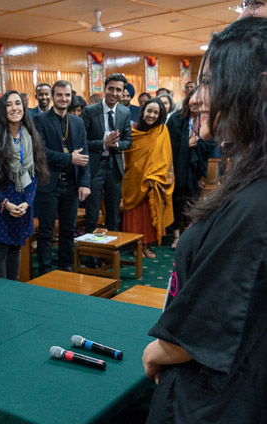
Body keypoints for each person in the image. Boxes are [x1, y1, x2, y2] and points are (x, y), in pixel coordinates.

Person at [143, 17, 267, 423]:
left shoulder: (257, 202)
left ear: (256, 88)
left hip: (217, 399)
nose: (194, 98)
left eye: (209, 82)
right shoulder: (249, 175)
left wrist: (159, 350)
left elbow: (219, 317)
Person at [0, 91, 48, 281]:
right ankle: (0, 295)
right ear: (2, 110)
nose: (14, 108)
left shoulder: (31, 135)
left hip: (22, 202)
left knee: (16, 249)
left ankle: (13, 290)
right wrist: (5, 202)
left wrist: (27, 202)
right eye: (9, 105)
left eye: (18, 103)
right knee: (1, 250)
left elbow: (35, 173)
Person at [32, 80, 90, 275]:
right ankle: (45, 271)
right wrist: (69, 158)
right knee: (46, 231)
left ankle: (66, 266)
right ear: (52, 97)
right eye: (59, 95)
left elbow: (84, 155)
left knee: (68, 229)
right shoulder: (40, 120)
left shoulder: (78, 121)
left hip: (72, 184)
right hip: (49, 184)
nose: (63, 99)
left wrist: (84, 183)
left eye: (67, 95)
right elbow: (41, 152)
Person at [83, 73, 132, 246]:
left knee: (113, 214)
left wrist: (116, 144)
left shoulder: (125, 112)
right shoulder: (90, 111)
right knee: (92, 213)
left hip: (114, 168)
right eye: (111, 88)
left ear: (123, 92)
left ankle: (112, 252)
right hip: (95, 167)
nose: (114, 93)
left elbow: (128, 141)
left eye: (118, 90)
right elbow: (84, 142)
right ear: (104, 89)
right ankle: (91, 252)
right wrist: (103, 143)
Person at [121, 98, 174, 258]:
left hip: (154, 181)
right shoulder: (133, 130)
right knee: (135, 215)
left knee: (149, 215)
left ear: (160, 115)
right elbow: (128, 156)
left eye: (156, 112)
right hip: (134, 179)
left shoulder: (162, 131)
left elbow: (166, 157)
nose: (151, 115)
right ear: (143, 111)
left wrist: (154, 176)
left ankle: (146, 246)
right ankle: (135, 246)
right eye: (149, 111)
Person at [166, 87, 214, 250]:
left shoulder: (206, 119)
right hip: (179, 168)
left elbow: (210, 143)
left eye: (199, 102)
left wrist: (197, 143)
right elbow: (169, 145)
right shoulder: (175, 119)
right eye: (193, 101)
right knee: (177, 201)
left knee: (192, 201)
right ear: (187, 101)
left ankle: (189, 235)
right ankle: (176, 237)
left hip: (195, 167)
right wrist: (186, 145)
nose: (195, 105)